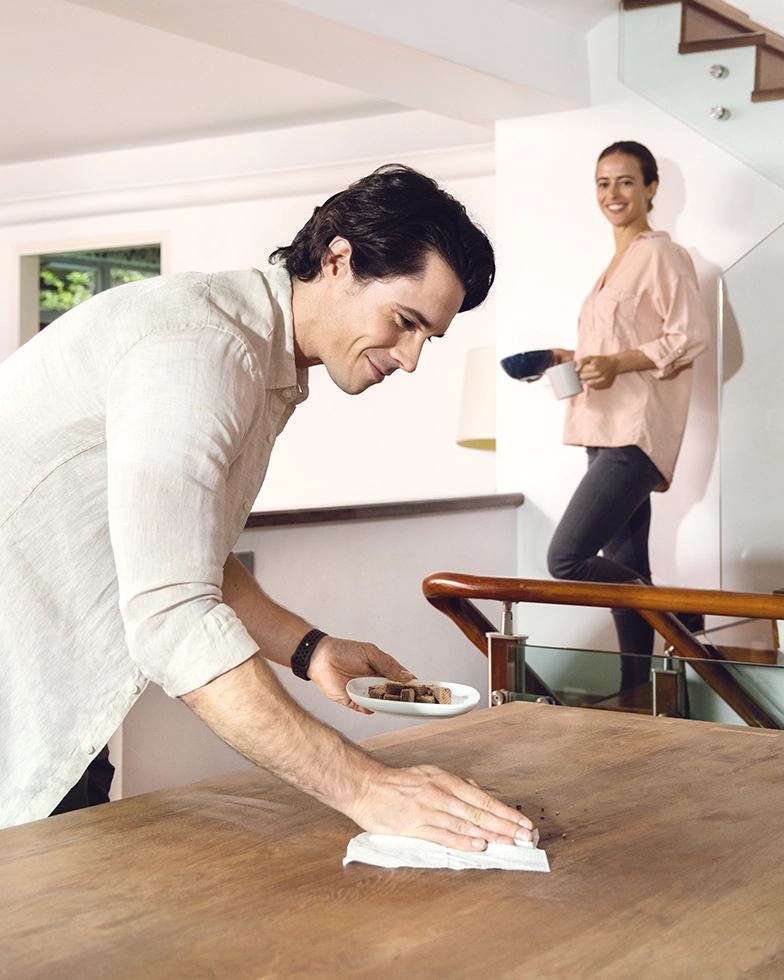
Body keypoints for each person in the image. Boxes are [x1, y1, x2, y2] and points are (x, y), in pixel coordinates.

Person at [0, 163, 533, 849]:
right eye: (404, 322)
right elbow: (173, 618)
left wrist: (310, 650)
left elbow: (192, 555)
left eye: (427, 337)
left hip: (53, 715)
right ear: (338, 257)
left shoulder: (253, 354)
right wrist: (367, 787)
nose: (410, 359)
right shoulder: (203, 351)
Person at [546, 141, 709, 691]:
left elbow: (690, 336)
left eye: (625, 182)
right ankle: (638, 693)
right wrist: (572, 360)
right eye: (602, 183)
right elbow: (617, 345)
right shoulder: (612, 266)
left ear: (651, 189)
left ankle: (680, 614)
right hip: (601, 430)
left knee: (567, 559)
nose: (612, 194)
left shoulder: (661, 254)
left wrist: (617, 362)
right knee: (625, 568)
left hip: (635, 435)